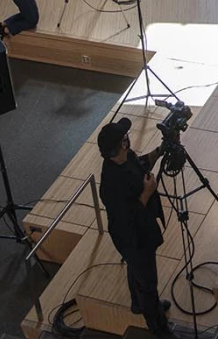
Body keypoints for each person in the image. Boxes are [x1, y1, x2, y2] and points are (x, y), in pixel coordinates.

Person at [97, 117, 174, 337]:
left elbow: (140, 164)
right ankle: (158, 326)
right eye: (124, 138)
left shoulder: (125, 157)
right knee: (148, 282)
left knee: (136, 269)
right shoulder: (110, 186)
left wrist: (159, 151)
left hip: (141, 231)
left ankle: (137, 303)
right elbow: (128, 218)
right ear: (121, 145)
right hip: (133, 238)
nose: (128, 140)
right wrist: (147, 192)